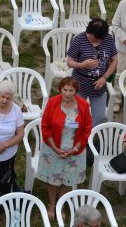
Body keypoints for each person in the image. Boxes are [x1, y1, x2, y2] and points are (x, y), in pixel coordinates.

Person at [36, 77, 92, 220]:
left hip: (74, 150)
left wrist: (75, 149)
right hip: (53, 148)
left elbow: (86, 130)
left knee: (68, 179)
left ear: (76, 91)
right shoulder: (53, 102)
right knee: (53, 179)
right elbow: (45, 127)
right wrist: (55, 148)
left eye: (71, 90)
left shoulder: (84, 106)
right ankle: (51, 204)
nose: (67, 93)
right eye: (65, 90)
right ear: (60, 89)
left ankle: (60, 204)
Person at [67, 18, 118, 127]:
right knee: (74, 115)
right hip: (79, 83)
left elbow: (115, 60)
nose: (92, 39)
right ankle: (72, 139)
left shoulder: (108, 39)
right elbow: (69, 62)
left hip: (99, 85)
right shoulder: (79, 39)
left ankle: (90, 137)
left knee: (99, 116)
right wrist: (82, 65)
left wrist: (104, 77)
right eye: (90, 36)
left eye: (97, 39)